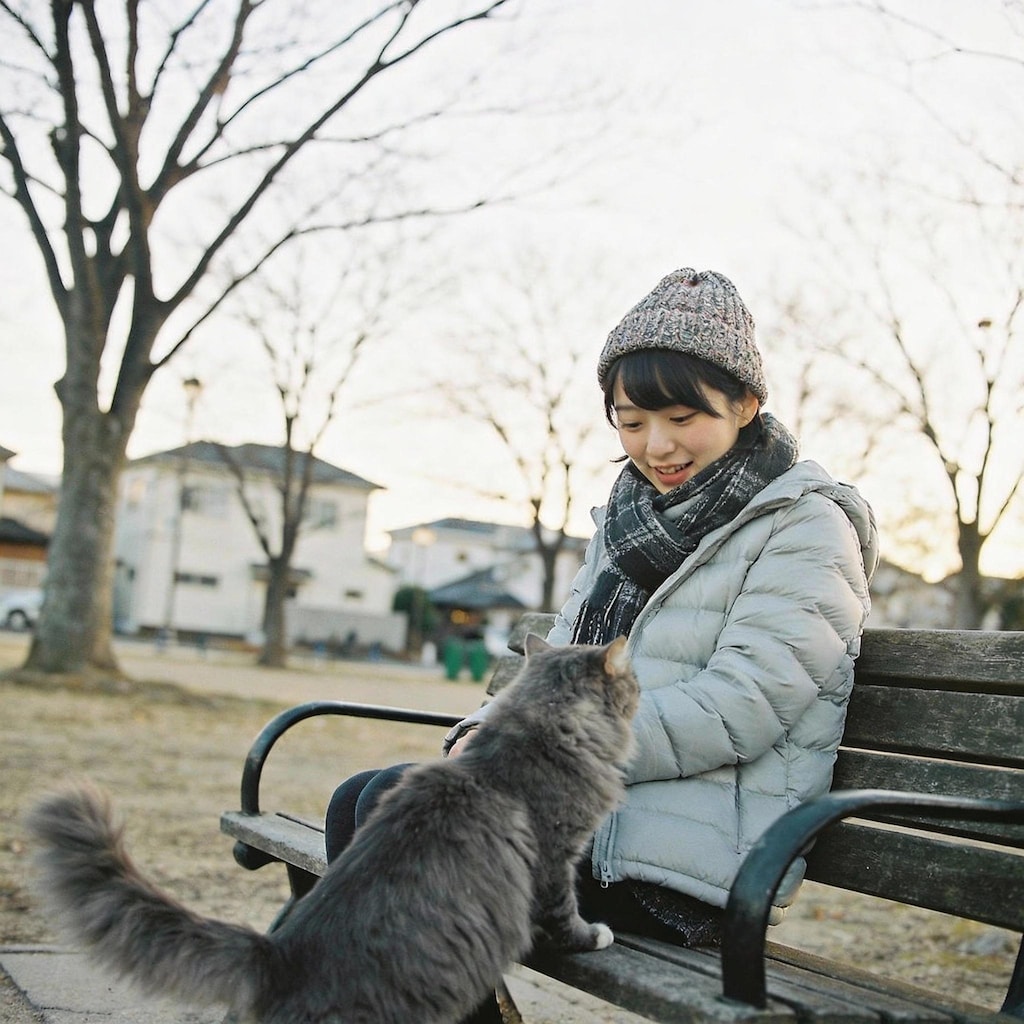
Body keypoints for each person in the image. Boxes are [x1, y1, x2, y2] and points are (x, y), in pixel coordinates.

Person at [324, 267, 878, 1021]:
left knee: (390, 823)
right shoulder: (626, 518)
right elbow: (554, 667)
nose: (657, 445)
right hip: (589, 819)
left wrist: (539, 755)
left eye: (683, 417)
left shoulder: (806, 528)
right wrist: (487, 735)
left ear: (747, 404)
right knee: (365, 798)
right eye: (631, 420)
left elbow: (745, 703)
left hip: (688, 865)